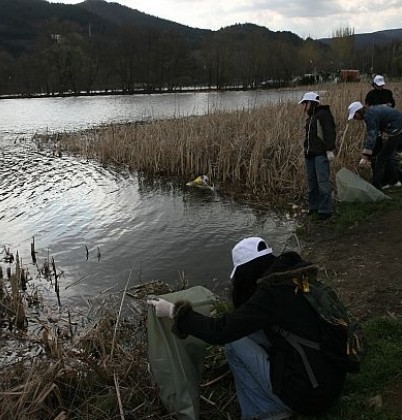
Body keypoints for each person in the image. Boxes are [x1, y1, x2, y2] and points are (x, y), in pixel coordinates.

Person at [147, 237, 348, 419]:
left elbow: (220, 332)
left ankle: (265, 412)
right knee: (247, 332)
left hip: (309, 397)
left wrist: (174, 312)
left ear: (247, 269)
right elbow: (241, 321)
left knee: (233, 344)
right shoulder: (295, 277)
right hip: (330, 381)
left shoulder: (271, 295)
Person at [347, 101, 402, 190]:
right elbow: (377, 132)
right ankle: (397, 179)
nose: (355, 118)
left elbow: (371, 135)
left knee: (381, 159)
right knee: (387, 156)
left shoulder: (369, 116)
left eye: (354, 116)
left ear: (359, 112)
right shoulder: (371, 111)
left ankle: (377, 186)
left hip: (399, 129)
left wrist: (365, 156)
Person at [298, 91, 337, 221]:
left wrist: (330, 149)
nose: (304, 107)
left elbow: (330, 132)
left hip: (320, 154)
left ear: (311, 103)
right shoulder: (311, 117)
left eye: (305, 103)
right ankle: (314, 207)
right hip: (310, 154)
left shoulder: (323, 115)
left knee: (323, 182)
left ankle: (325, 211)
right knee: (312, 183)